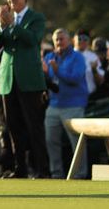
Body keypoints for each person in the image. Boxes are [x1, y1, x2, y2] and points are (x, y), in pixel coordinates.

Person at [0, 0, 49, 178]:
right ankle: (20, 168)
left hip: (29, 81)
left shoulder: (36, 18)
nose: (11, 0)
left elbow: (32, 40)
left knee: (34, 127)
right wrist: (1, 26)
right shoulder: (6, 20)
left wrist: (12, 24)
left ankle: (42, 169)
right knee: (13, 128)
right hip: (8, 80)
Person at [42, 28, 88, 179]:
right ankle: (56, 173)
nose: (59, 42)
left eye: (62, 39)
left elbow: (75, 78)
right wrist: (44, 72)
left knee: (77, 143)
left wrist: (57, 70)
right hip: (54, 105)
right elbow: (47, 80)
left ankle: (80, 174)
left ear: (69, 40)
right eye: (56, 39)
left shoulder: (78, 57)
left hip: (73, 106)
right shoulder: (49, 56)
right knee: (50, 140)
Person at [74, 32, 105, 97]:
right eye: (79, 39)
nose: (82, 41)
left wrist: (94, 70)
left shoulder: (93, 57)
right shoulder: (67, 55)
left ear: (89, 41)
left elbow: (100, 81)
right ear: (73, 40)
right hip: (72, 98)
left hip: (90, 97)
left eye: (85, 39)